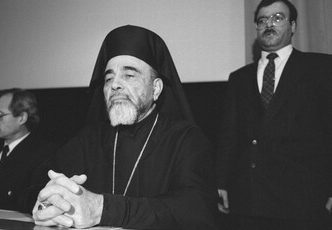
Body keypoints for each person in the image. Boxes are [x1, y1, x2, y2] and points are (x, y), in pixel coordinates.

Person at [32, 25, 218, 229]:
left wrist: (103, 209)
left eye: (129, 75)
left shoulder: (186, 138)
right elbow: (33, 185)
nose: (115, 85)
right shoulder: (89, 138)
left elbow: (195, 210)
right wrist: (51, 200)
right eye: (108, 78)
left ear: (155, 89)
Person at [216, 0, 332, 229]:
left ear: (293, 26)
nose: (269, 24)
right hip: (249, 201)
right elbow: (229, 136)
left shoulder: (321, 68)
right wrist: (221, 183)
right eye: (262, 20)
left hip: (304, 201)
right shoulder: (238, 78)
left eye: (278, 18)